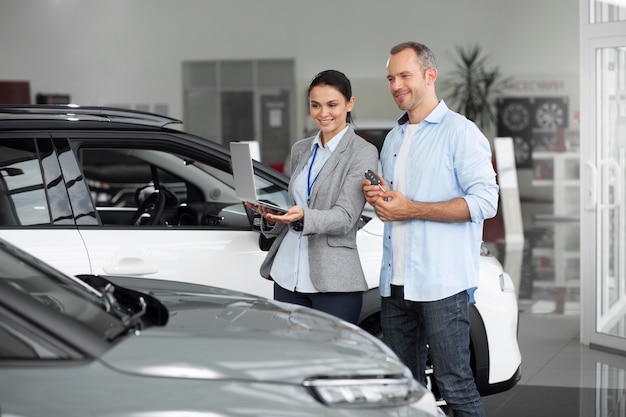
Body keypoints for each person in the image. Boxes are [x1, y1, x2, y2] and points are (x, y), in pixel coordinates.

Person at [362, 42, 499, 416]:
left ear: (429, 75)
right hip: (395, 285)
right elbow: (395, 204)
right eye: (391, 78)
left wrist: (413, 209)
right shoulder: (394, 138)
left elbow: (486, 202)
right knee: (406, 392)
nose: (396, 85)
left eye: (404, 75)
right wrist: (379, 197)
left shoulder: (461, 133)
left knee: (456, 386)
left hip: (442, 286)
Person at [245, 69, 379, 325]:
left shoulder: (363, 152)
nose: (323, 113)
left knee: (331, 362)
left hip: (333, 282)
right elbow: (295, 204)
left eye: (332, 104)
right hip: (288, 275)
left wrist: (304, 216)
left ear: (350, 104)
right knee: (291, 359)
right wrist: (272, 214)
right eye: (315, 105)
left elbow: (346, 217)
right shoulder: (301, 149)